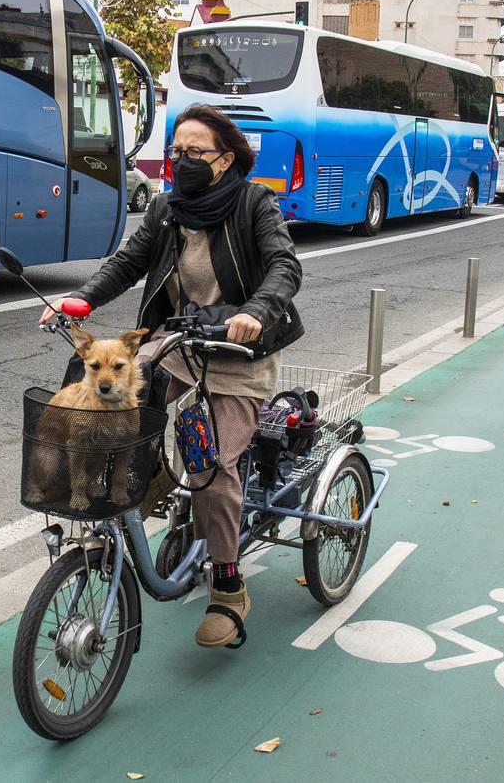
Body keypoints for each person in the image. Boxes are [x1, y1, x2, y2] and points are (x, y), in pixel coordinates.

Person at [39, 104, 304, 648]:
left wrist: (256, 311)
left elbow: (285, 266)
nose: (180, 160)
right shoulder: (166, 210)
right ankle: (181, 510)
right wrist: (80, 300)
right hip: (175, 351)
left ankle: (228, 588)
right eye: (175, 151)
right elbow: (127, 264)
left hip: (237, 360)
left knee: (212, 467)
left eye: (194, 152)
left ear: (225, 159)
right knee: (131, 435)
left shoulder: (255, 203)